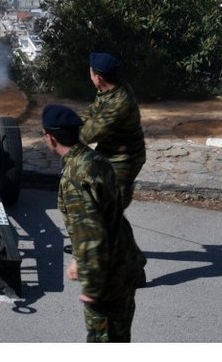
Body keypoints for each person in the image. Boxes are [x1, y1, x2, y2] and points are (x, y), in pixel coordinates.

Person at [42, 103, 147, 343]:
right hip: (125, 263)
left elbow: (91, 235)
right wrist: (79, 259)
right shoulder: (96, 159)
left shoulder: (74, 178)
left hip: (107, 278)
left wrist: (92, 288)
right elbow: (110, 213)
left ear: (50, 138)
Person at [81, 52, 146, 210]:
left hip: (123, 162)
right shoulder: (110, 87)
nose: (90, 75)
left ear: (98, 78)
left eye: (91, 72)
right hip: (109, 154)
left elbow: (88, 135)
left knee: (111, 210)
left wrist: (62, 130)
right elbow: (93, 110)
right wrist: (74, 121)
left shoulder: (118, 102)